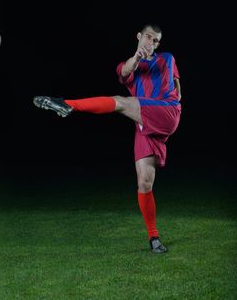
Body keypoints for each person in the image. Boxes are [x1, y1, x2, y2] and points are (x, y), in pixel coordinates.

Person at [33, 24, 181, 253]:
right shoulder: (128, 67)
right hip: (144, 123)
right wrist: (136, 57)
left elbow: (177, 83)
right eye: (149, 38)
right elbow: (124, 72)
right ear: (139, 36)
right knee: (144, 182)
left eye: (156, 41)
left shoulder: (168, 58)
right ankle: (154, 238)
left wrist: (178, 95)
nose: (151, 43)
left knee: (119, 102)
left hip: (167, 111)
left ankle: (67, 104)